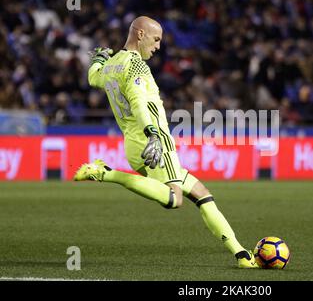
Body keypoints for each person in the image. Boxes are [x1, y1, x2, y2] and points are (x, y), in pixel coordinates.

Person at [73, 16, 257, 268]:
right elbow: (138, 101)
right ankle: (106, 173)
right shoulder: (137, 65)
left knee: (202, 194)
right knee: (174, 199)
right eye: (156, 39)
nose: (158, 46)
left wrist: (98, 60)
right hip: (154, 140)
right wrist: (152, 133)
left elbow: (93, 78)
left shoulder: (113, 63)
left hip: (132, 142)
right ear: (140, 34)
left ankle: (241, 254)